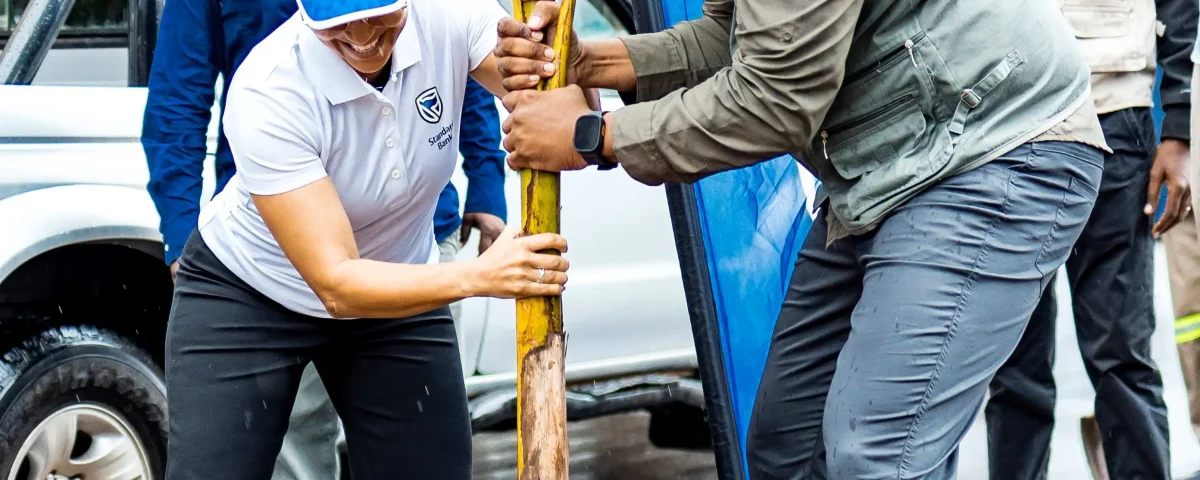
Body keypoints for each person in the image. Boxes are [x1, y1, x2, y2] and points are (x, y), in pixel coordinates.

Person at [494, 0, 1110, 477]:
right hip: (883, 170)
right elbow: (736, 40)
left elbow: (776, 99)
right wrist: (591, 63)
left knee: (874, 455)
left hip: (990, 146)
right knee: (788, 441)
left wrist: (593, 136)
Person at [159, 0, 563, 477]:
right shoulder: (269, 87)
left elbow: (549, 99)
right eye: (339, 20)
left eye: (379, 12)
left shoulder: (452, 15)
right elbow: (337, 283)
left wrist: (556, 61)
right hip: (250, 294)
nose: (363, 32)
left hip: (398, 284)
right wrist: (480, 275)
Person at [982, 0, 1196, 477]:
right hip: (1002, 123)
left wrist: (1177, 124)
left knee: (1122, 355)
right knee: (1013, 365)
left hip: (1112, 110)